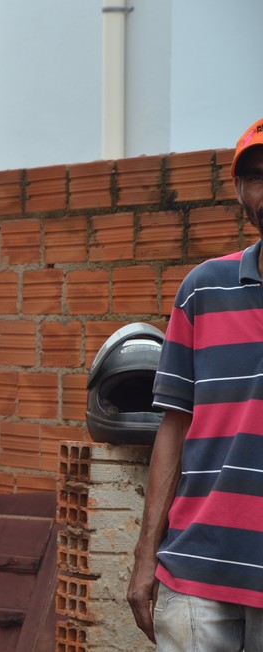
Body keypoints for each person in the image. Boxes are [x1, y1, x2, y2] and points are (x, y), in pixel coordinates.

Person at [127, 116, 263, 650]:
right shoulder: (202, 291)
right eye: (255, 177)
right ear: (239, 192)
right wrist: (146, 556)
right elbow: (173, 427)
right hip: (194, 573)